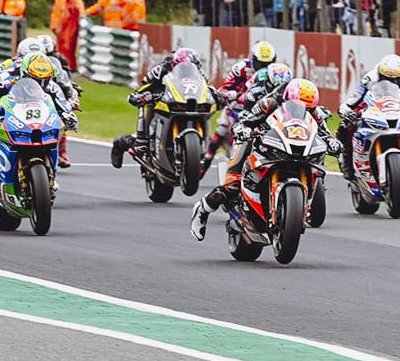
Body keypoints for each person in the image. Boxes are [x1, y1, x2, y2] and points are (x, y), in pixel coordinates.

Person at [189, 77, 340, 241]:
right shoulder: (269, 104)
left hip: (292, 148)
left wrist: (333, 143)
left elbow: (325, 134)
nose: (304, 108)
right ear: (288, 97)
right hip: (260, 144)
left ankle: (296, 210)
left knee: (317, 170)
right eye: (300, 104)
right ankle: (203, 210)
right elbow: (245, 122)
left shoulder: (314, 114)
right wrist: (244, 130)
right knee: (232, 183)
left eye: (308, 107)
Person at [0, 53, 76, 190]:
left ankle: (49, 175)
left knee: (54, 132)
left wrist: (69, 117)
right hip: (2, 109)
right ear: (25, 74)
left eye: (45, 80)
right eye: (35, 80)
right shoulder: (4, 81)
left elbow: (64, 109)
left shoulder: (51, 86)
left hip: (36, 114)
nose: (40, 85)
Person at [336, 54, 400, 181]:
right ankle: (346, 160)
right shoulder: (368, 80)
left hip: (397, 111)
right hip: (373, 109)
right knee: (346, 125)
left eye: (396, 79)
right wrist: (346, 110)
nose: (392, 82)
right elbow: (353, 99)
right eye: (387, 78)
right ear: (380, 74)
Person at [110, 47, 204, 167]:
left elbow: (207, 88)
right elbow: (140, 90)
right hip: (160, 103)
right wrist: (142, 96)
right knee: (141, 146)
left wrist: (220, 96)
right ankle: (123, 142)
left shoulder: (199, 73)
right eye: (183, 67)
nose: (187, 71)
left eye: (191, 67)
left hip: (185, 103)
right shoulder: (159, 70)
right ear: (174, 64)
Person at [201, 41, 278, 169]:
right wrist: (231, 94)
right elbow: (224, 89)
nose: (264, 67)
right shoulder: (241, 68)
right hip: (239, 107)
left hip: (267, 108)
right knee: (221, 131)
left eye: (268, 63)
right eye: (260, 63)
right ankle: (204, 164)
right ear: (252, 59)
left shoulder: (277, 72)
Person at [49, 0, 84, 69]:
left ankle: (70, 67)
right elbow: (58, 13)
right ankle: (64, 65)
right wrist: (55, 26)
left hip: (71, 27)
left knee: (68, 47)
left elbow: (81, 10)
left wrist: (82, 21)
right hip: (63, 27)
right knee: (62, 47)